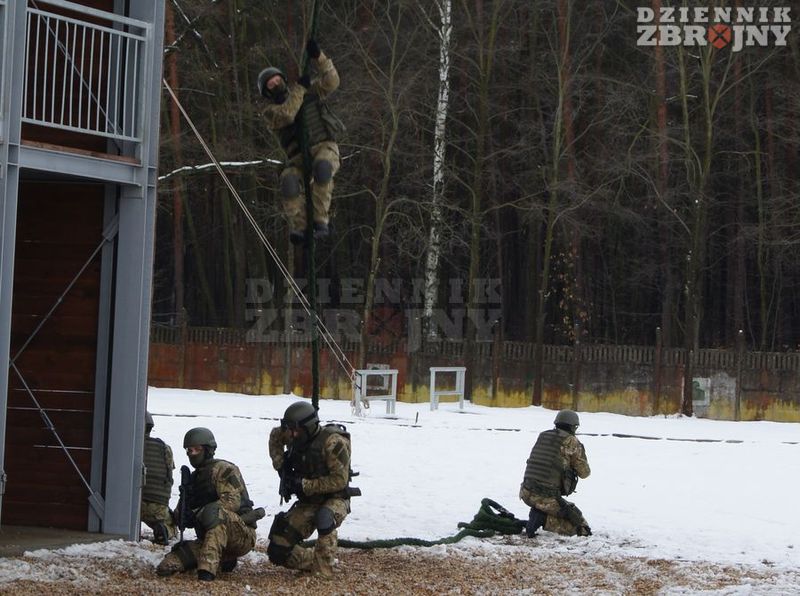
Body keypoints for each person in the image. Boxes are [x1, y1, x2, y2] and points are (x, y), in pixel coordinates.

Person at [257, 38, 344, 246]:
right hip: (298, 159)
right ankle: (300, 226)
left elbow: (332, 81)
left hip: (324, 147)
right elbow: (288, 114)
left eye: (276, 79)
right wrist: (300, 90)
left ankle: (320, 220)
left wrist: (319, 57)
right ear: (267, 91)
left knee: (323, 167)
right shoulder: (270, 113)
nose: (275, 84)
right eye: (270, 84)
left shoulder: (308, 91)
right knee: (288, 181)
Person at [156, 427, 263, 581]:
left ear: (208, 450)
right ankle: (224, 558)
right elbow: (179, 516)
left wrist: (198, 513)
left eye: (197, 449)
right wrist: (184, 511)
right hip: (209, 540)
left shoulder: (224, 469)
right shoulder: (194, 479)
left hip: (241, 535)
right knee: (167, 566)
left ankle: (207, 572)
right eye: (189, 450)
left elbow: (232, 502)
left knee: (214, 513)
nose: (192, 454)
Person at [266, 401, 356, 578]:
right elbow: (275, 436)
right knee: (278, 550)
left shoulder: (333, 443)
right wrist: (282, 467)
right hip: (309, 501)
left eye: (296, 430)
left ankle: (323, 571)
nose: (292, 435)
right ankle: (313, 561)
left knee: (324, 517)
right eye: (290, 430)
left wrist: (304, 485)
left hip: (335, 498)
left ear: (308, 427)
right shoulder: (293, 435)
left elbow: (339, 480)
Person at [519, 409, 592, 537]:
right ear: (573, 427)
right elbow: (584, 473)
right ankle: (541, 518)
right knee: (582, 528)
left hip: (525, 492)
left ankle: (539, 513)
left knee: (564, 509)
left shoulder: (543, 435)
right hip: (546, 497)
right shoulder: (572, 441)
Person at [141, 411, 176, 546]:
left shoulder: (128, 446)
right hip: (157, 506)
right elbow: (168, 475)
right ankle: (164, 531)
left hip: (130, 503)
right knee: (172, 526)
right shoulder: (165, 448)